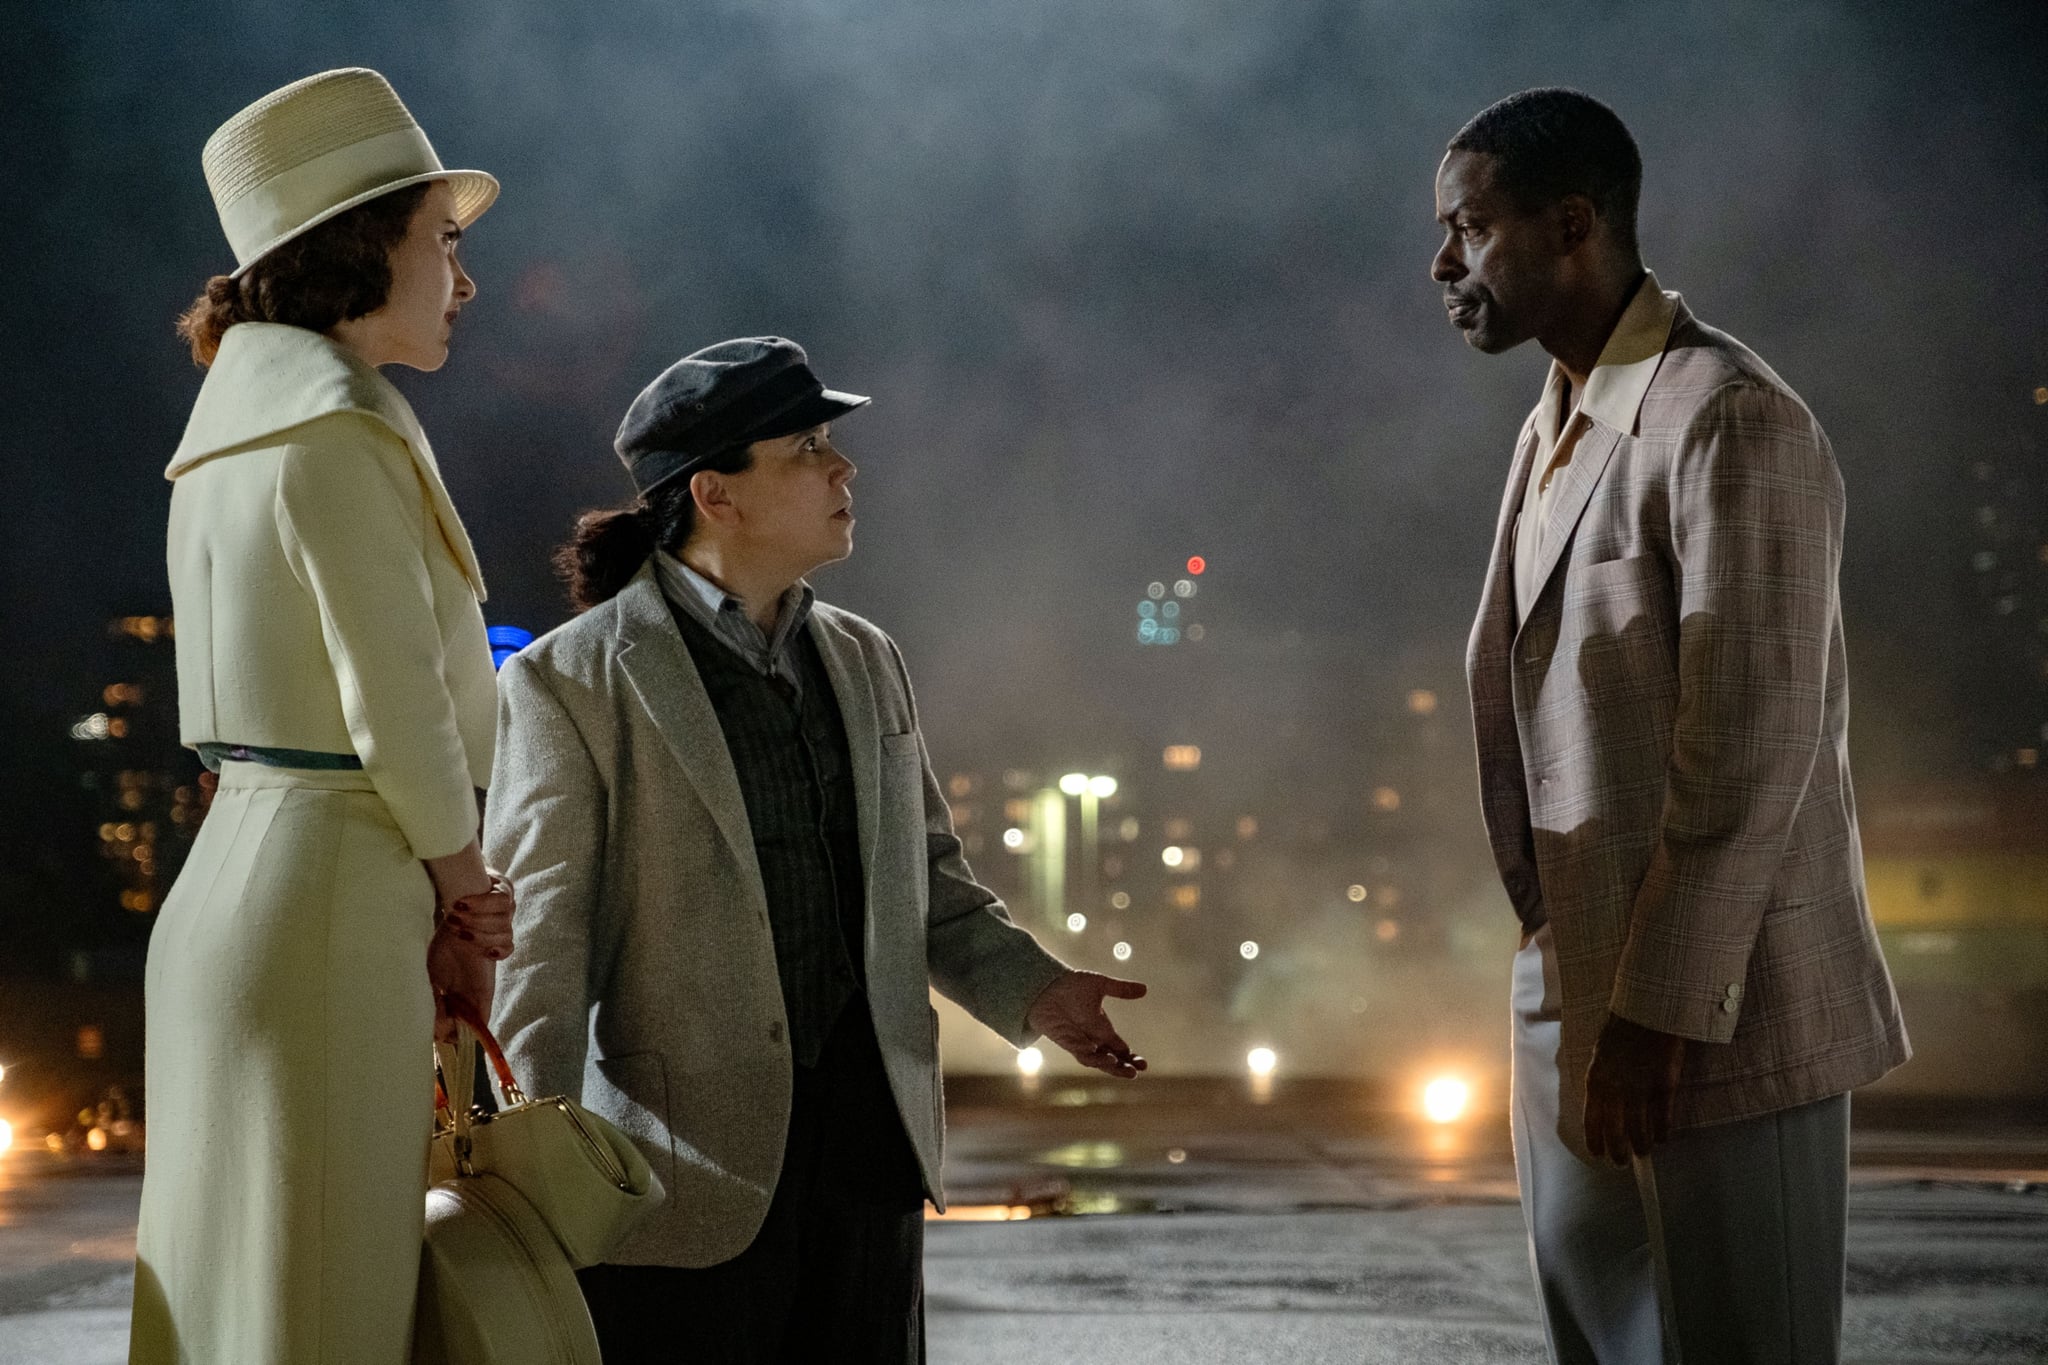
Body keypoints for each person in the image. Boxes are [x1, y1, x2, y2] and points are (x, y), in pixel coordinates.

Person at [487, 337, 1147, 1363]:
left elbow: (923, 879)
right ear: (716, 493)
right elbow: (540, 947)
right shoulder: (569, 682)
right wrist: (530, 1175)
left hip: (868, 1157)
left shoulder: (863, 657)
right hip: (675, 1174)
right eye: (806, 449)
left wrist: (1036, 991)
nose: (843, 471)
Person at [1434, 88, 1909, 1364]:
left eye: (1467, 229)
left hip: (1715, 1004)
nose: (1440, 265)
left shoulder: (1728, 415)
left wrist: (1655, 1012)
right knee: (1600, 1342)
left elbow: (1751, 748)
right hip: (1573, 985)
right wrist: (1555, 961)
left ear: (1571, 225)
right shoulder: (1552, 425)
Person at [132, 69, 514, 1364]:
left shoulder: (224, 430)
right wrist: (466, 893)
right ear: (359, 245)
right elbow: (394, 704)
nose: (464, 280)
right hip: (334, 897)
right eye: (442, 242)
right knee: (326, 1310)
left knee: (233, 1305)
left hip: (230, 893)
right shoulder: (342, 422)